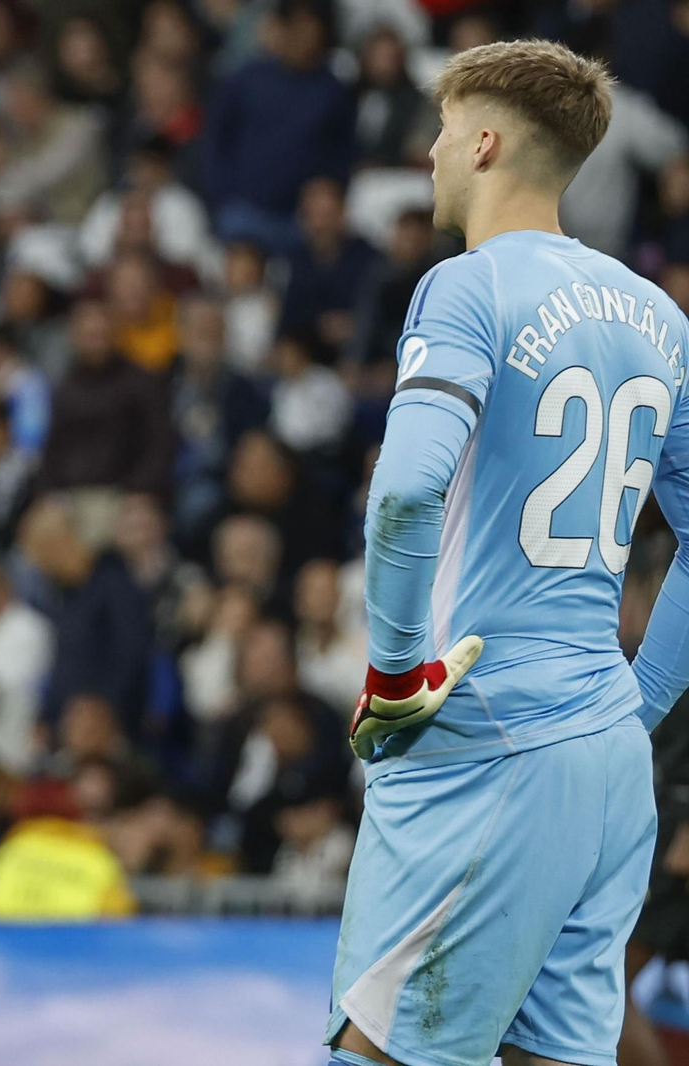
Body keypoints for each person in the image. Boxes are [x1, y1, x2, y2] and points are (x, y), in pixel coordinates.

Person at [330, 41, 689, 1066]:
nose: (431, 153)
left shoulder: (466, 288)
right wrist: (638, 704)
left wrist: (394, 676)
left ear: (484, 143)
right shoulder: (661, 316)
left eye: (444, 131)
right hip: (606, 760)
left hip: (484, 737)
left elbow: (405, 492)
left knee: (379, 1053)